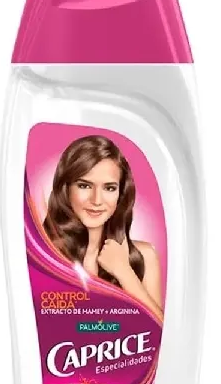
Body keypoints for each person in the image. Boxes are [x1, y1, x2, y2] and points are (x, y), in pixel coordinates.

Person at [43, 135, 163, 319]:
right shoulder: (43, 255)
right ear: (66, 188)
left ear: (121, 194)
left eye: (109, 188)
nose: (97, 200)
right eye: (84, 185)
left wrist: (124, 272)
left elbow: (160, 329)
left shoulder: (144, 256)